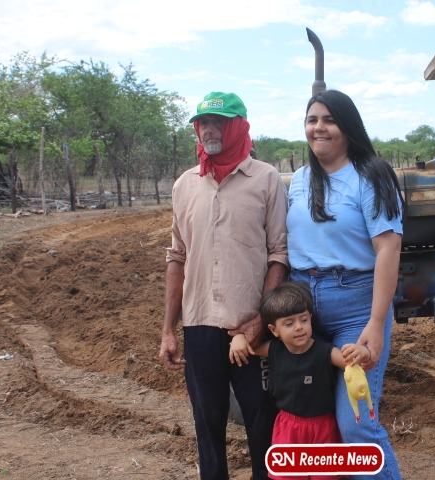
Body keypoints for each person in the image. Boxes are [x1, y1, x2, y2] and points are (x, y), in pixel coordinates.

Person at [159, 91, 289, 480]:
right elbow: (177, 256)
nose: (210, 130)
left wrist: (262, 319)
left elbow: (279, 254)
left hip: (249, 327)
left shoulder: (266, 179)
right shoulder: (185, 185)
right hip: (199, 324)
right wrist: (168, 329)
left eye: (220, 122)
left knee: (262, 421)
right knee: (207, 421)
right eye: (204, 123)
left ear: (238, 127)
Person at [286, 90, 404, 480]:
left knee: (356, 424)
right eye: (312, 120)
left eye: (329, 120)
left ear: (348, 126)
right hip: (303, 307)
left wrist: (376, 322)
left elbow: (388, 248)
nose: (318, 128)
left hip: (355, 307)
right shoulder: (299, 180)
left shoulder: (370, 175)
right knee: (307, 417)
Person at [230, 281, 371, 480]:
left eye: (303, 320)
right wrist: (239, 338)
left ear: (310, 319)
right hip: (288, 428)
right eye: (289, 323)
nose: (299, 327)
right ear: (274, 330)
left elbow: (353, 364)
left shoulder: (326, 352)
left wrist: (363, 353)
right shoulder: (274, 350)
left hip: (323, 430)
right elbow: (249, 349)